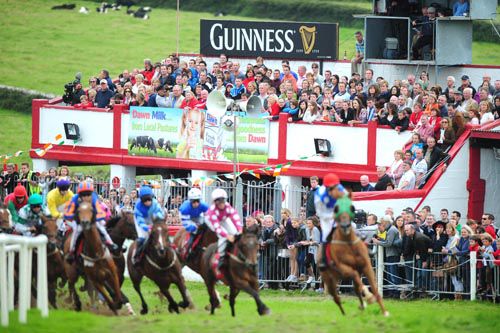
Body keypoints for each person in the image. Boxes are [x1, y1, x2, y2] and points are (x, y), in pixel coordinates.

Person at [65, 181, 119, 263]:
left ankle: (110, 243)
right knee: (76, 231)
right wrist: (78, 218)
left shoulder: (94, 198)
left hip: (92, 219)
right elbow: (68, 213)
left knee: (102, 227)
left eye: (88, 194)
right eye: (83, 195)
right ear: (80, 195)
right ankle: (72, 251)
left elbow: (100, 213)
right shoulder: (75, 199)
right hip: (79, 220)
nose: (86, 197)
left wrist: (92, 219)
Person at [314, 173, 347, 269]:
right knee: (326, 234)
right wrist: (330, 216)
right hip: (325, 215)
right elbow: (319, 212)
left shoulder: (341, 190)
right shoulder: (319, 194)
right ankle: (324, 259)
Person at [206, 188, 243, 272]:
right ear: (215, 202)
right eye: (218, 201)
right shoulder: (212, 211)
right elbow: (217, 228)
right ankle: (221, 257)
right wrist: (227, 236)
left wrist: (240, 229)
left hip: (223, 219)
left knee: (235, 233)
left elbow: (235, 217)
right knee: (224, 237)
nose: (221, 203)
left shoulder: (228, 206)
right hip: (212, 221)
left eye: (222, 200)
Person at [132, 185, 165, 266]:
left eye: (149, 200)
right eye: (145, 201)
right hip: (141, 221)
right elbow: (140, 220)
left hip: (152, 219)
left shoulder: (155, 203)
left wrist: (157, 222)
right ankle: (136, 256)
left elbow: (160, 214)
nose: (148, 202)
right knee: (142, 238)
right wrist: (146, 228)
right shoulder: (138, 206)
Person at [373, 215, 400, 297]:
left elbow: (388, 243)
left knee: (393, 275)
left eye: (383, 222)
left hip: (393, 255)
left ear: (387, 222)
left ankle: (395, 293)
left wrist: (377, 242)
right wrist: (380, 239)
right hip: (390, 255)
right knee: (389, 275)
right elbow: (387, 241)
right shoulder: (390, 229)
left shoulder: (392, 230)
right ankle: (392, 293)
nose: (382, 224)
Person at [179, 187, 209, 260]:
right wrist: (195, 227)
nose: (196, 204)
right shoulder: (184, 208)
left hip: (198, 217)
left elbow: (209, 217)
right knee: (194, 232)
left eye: (197, 201)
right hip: (187, 219)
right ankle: (187, 250)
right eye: (193, 202)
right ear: (190, 201)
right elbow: (186, 223)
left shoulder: (204, 205)